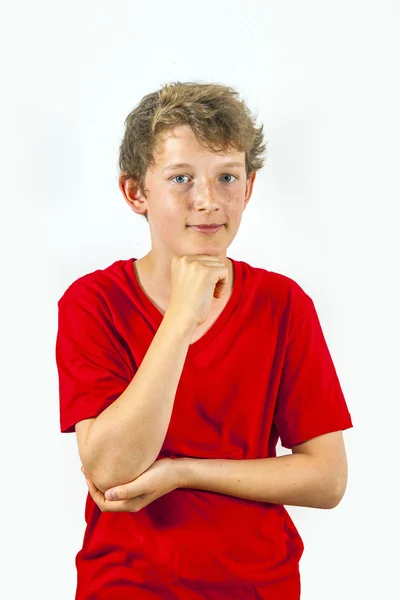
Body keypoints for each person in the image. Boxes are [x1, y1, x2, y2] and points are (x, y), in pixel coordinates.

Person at [55, 80, 353, 600]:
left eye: (227, 177)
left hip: (259, 585)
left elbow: (327, 479)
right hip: (127, 584)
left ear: (249, 188)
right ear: (135, 192)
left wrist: (184, 472)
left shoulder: (284, 305)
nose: (208, 200)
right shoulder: (92, 302)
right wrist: (180, 319)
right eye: (181, 178)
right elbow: (108, 469)